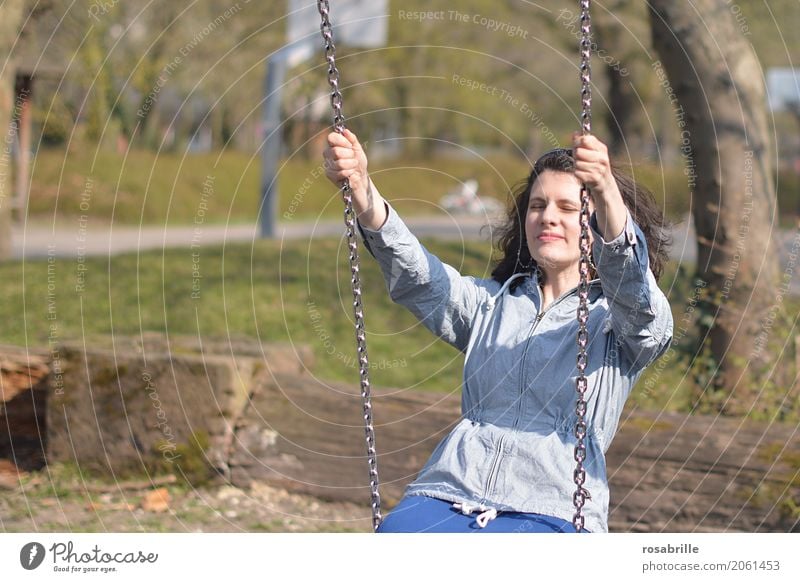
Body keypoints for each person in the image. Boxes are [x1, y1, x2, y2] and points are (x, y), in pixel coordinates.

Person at [323, 129, 674, 533]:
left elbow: (636, 293)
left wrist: (606, 190)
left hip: (553, 503)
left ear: (595, 222)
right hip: (451, 486)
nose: (548, 217)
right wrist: (364, 193)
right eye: (538, 205)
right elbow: (422, 280)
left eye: (567, 207)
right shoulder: (492, 303)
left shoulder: (620, 321)